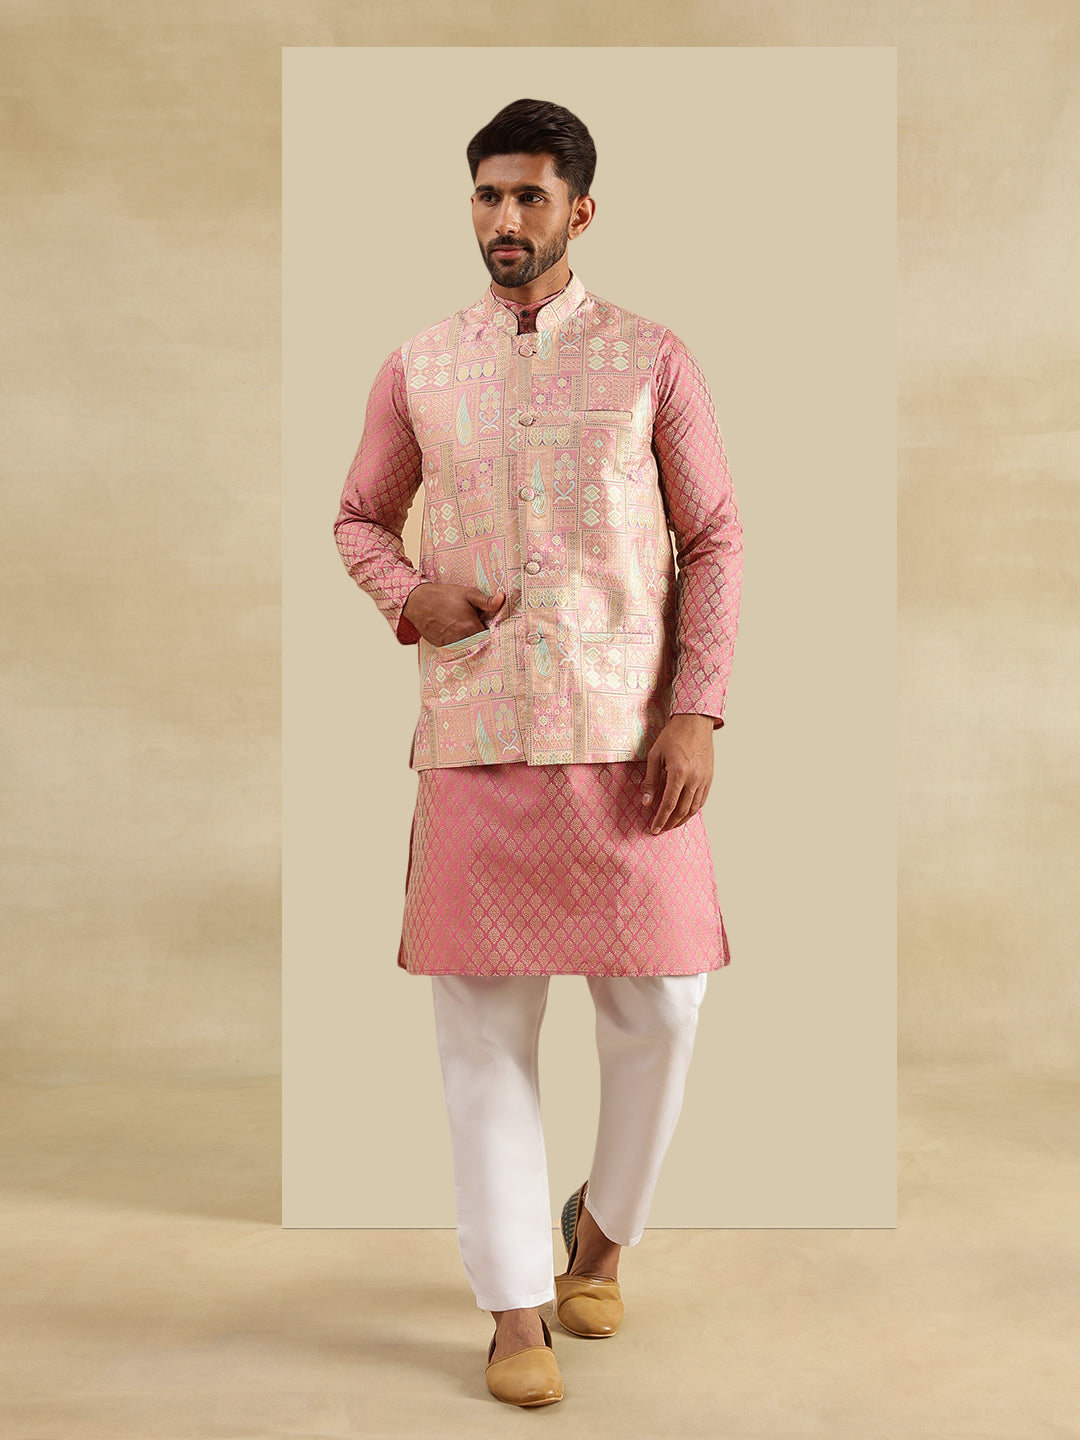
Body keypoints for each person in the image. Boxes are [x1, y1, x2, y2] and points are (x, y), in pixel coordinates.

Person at [332, 97, 743, 1407]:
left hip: (630, 741)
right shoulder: (418, 365)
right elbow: (357, 517)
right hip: (477, 738)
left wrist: (696, 707)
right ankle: (515, 1309)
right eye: (487, 194)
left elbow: (714, 537)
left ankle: (600, 1238)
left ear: (580, 210)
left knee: (663, 1004)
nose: (505, 218)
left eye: (529, 196)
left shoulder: (651, 358)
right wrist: (410, 595)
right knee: (482, 1031)